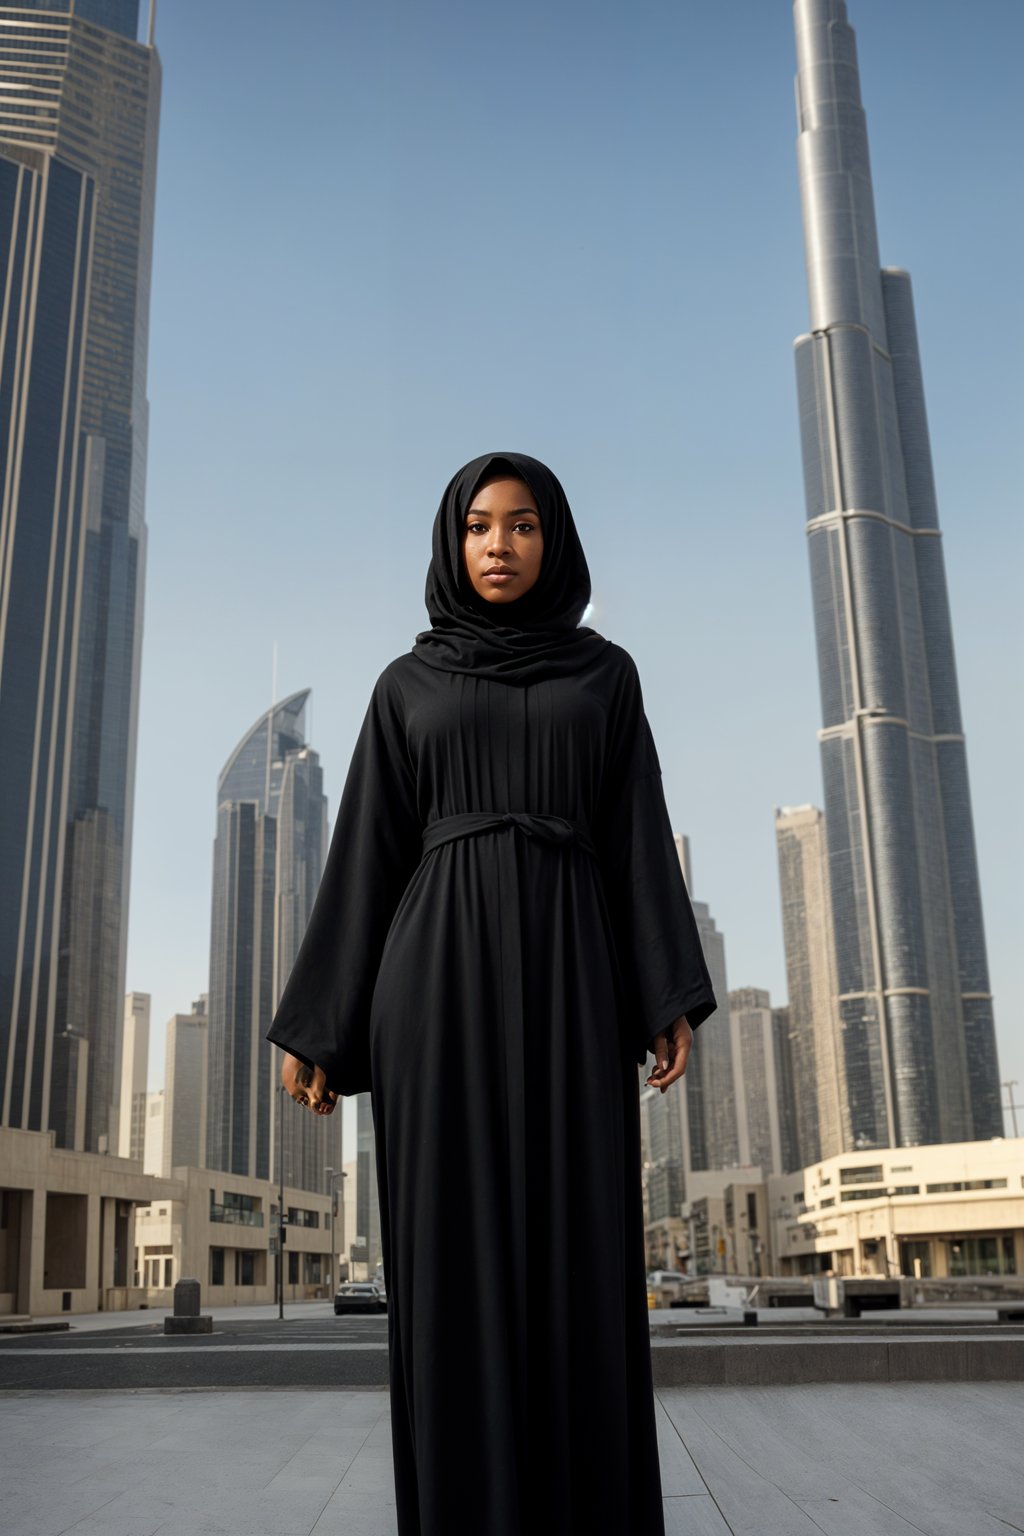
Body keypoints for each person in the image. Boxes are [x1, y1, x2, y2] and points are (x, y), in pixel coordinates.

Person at [266, 451, 717, 1536]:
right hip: (435, 991)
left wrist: (662, 991)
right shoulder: (404, 686)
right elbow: (366, 854)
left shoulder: (605, 676)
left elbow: (634, 837)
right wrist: (322, 1023)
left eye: (520, 526)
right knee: (448, 1269)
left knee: (581, 1261)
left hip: (573, 980)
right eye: (478, 526)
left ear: (552, 541)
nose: (499, 546)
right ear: (451, 543)